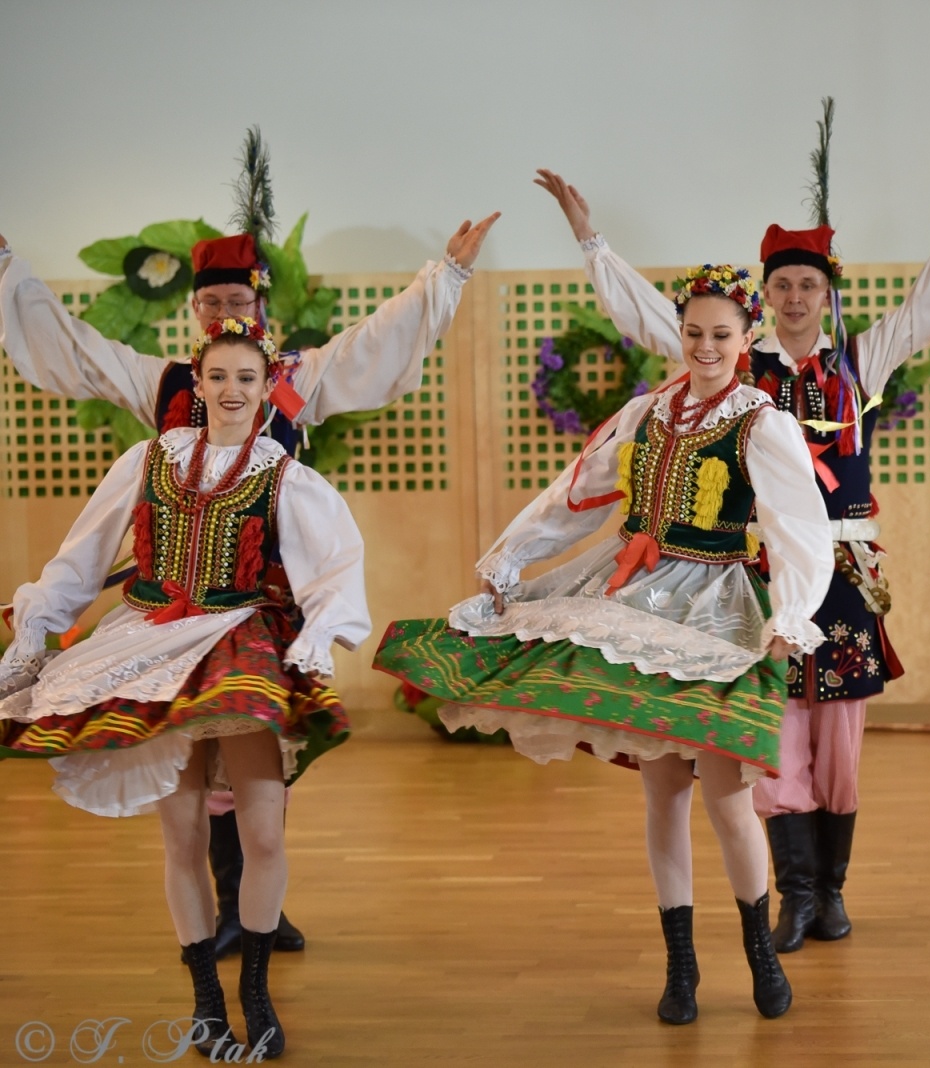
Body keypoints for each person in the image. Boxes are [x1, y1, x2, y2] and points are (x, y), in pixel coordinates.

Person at [533, 134, 930, 953]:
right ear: (765, 298)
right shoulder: (732, 365)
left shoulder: (863, 358)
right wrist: (590, 239)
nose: (794, 297)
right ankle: (793, 896)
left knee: (842, 742)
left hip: (849, 573)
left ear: (827, 295)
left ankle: (832, 893)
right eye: (782, 285)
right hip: (753, 577)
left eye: (808, 285)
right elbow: (654, 316)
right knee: (774, 729)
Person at [0, 208, 495, 956]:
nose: (224, 314)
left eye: (238, 303)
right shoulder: (167, 387)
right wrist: (11, 271)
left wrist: (445, 276)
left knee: (257, 770)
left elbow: (374, 344)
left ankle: (254, 904)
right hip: (174, 604)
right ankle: (225, 909)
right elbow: (77, 349)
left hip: (264, 603)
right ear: (193, 314)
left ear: (261, 308)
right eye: (212, 304)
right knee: (190, 777)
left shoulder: (295, 382)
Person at [374, 264, 833, 1024]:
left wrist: (790, 619)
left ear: (748, 336)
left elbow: (798, 531)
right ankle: (680, 965)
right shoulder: (647, 413)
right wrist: (510, 560)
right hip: (633, 595)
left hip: (714, 605)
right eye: (694, 333)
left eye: (722, 334)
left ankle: (756, 950)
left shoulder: (761, 421)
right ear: (678, 334)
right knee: (662, 791)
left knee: (727, 796)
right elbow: (577, 496)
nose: (706, 347)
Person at [0, 317, 370, 1059]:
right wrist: (37, 628)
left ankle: (255, 989)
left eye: (246, 379)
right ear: (197, 385)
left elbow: (335, 564)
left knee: (264, 831)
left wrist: (317, 637)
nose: (232, 391)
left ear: (268, 390)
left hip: (235, 641)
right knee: (184, 836)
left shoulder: (284, 474)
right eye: (218, 377)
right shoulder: (146, 461)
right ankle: (206, 1000)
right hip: (151, 645)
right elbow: (81, 557)